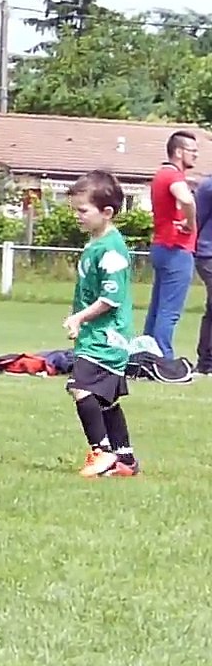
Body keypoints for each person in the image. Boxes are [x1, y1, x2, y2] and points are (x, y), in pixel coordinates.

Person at [62, 170, 138, 478]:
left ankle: (102, 451)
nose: (77, 216)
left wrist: (79, 317)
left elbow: (111, 299)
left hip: (106, 338)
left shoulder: (111, 250)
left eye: (83, 210)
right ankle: (125, 459)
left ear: (106, 212)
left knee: (80, 388)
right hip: (98, 335)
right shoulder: (98, 243)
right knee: (106, 400)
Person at [143, 131, 199, 360]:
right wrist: (191, 222)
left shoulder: (160, 175)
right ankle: (163, 360)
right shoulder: (173, 176)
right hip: (177, 248)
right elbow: (186, 199)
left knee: (157, 308)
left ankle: (145, 354)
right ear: (178, 152)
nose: (196, 155)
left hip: (161, 246)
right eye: (192, 151)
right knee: (169, 310)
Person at [195, 175, 212, 376]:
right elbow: (196, 220)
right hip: (208, 254)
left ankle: (206, 361)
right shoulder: (208, 186)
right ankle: (206, 362)